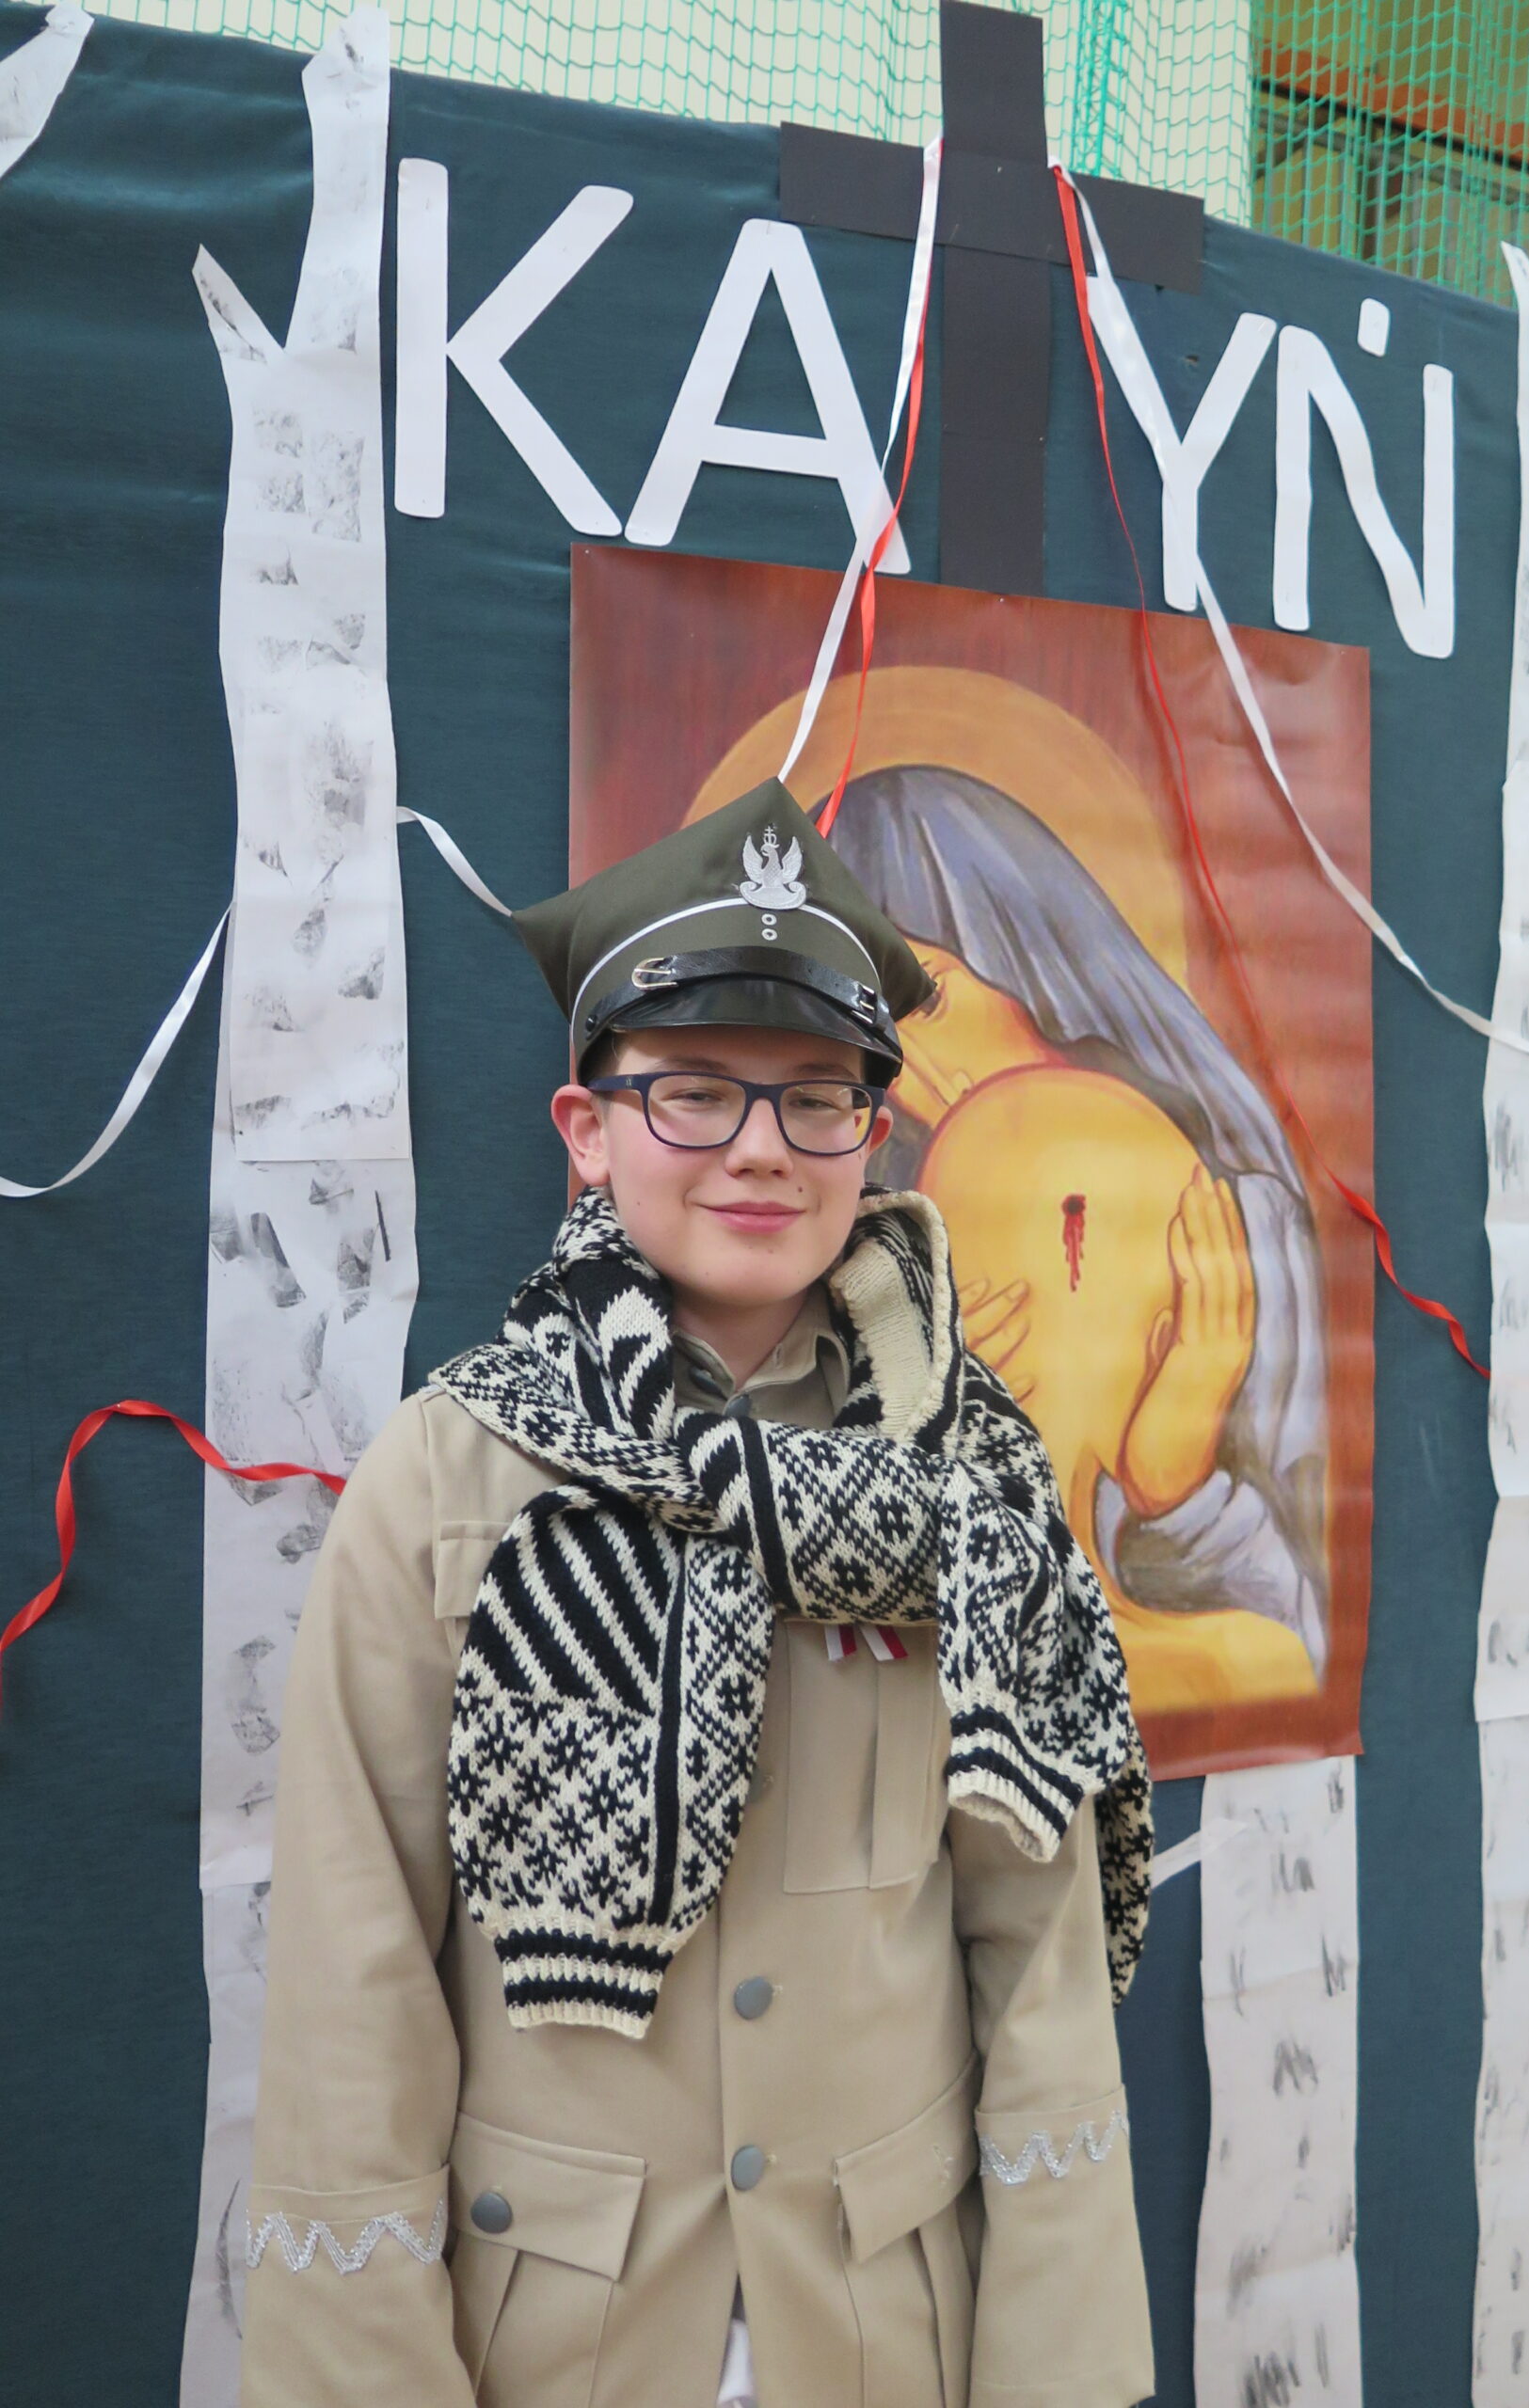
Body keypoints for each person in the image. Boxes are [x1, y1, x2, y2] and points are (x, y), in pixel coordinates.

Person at [239, 778, 1156, 2408]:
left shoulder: (977, 1483)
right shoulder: (449, 1480)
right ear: (587, 1131)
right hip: (559, 2346)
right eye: (693, 1094)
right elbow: (352, 1991)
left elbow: (1039, 1965)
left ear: (875, 1134)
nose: (759, 1149)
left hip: (886, 2343)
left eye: (817, 1100)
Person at [827, 766, 1331, 1706]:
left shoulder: (1241, 1236)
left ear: (1025, 959)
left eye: (926, 1002)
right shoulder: (874, 1261)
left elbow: (1309, 1634)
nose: (910, 1069)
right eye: (866, 1039)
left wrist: (1179, 1490)